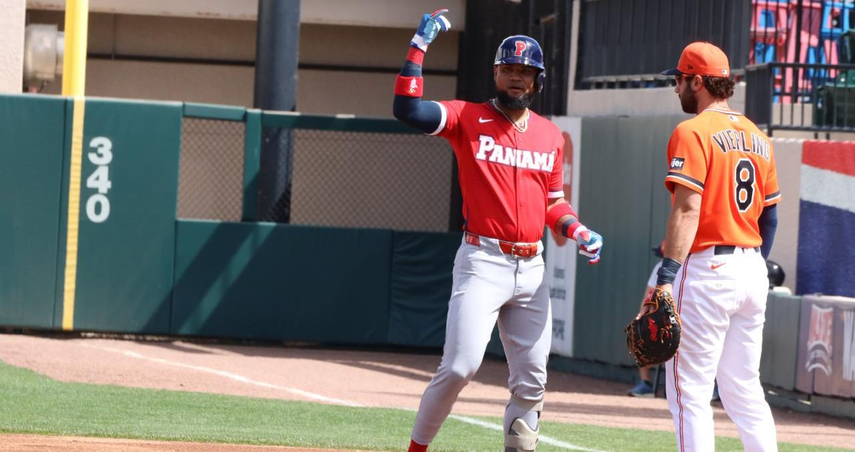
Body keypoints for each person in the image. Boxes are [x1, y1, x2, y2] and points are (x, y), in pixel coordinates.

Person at [392, 10, 603, 452]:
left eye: (525, 71)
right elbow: (407, 109)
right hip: (483, 259)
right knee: (460, 367)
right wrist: (419, 46)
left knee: (532, 381)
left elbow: (553, 203)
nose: (516, 78)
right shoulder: (467, 117)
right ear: (495, 72)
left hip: (532, 269)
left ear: (537, 79)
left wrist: (578, 229)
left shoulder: (550, 136)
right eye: (509, 69)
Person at [639, 42, 781, 451]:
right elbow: (769, 217)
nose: (677, 87)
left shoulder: (693, 131)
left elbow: (687, 209)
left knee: (689, 393)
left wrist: (665, 278)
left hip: (707, 271)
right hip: (752, 269)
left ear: (698, 82)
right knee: (744, 390)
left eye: (680, 80)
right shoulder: (757, 135)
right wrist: (751, 263)